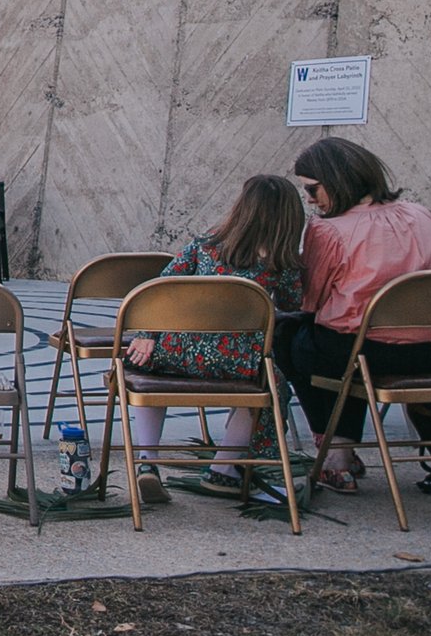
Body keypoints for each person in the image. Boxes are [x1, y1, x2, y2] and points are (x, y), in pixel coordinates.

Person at [276, 138, 431, 495]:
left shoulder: (327, 229)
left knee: (291, 336)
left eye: (313, 189)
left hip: (358, 354)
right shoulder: (422, 214)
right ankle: (339, 449)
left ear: (336, 179)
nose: (311, 200)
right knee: (346, 340)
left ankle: (335, 452)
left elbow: (311, 301)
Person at [121, 174, 307, 503]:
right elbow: (293, 304)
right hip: (237, 362)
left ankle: (147, 462)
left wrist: (148, 334)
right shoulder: (281, 262)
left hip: (176, 353)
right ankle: (224, 468)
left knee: (148, 369)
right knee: (272, 386)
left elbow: (160, 290)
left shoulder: (205, 244)